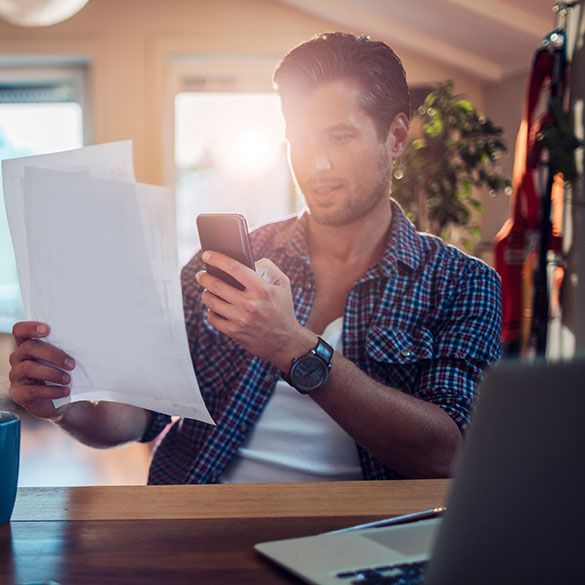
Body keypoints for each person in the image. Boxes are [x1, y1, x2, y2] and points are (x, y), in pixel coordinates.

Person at [8, 32, 501, 484]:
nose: (316, 163)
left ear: (395, 137)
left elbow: (447, 455)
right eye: (299, 140)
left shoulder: (460, 281)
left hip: (363, 535)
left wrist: (291, 346)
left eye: (339, 137)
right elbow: (141, 414)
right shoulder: (224, 261)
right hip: (203, 518)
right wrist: (62, 406)